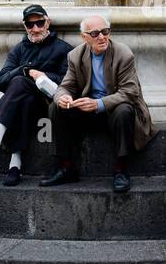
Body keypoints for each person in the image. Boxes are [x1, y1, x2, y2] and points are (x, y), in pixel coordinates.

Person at [42, 15, 156, 193]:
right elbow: (65, 87)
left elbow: (130, 92)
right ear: (84, 37)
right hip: (88, 111)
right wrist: (63, 98)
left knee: (124, 110)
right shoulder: (75, 55)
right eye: (95, 33)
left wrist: (99, 104)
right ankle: (66, 167)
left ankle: (121, 170)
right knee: (55, 107)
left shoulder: (123, 54)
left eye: (105, 31)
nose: (101, 37)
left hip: (113, 109)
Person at [0, 4, 73, 186]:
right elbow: (1, 81)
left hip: (49, 104)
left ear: (47, 23)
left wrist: (41, 75)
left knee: (19, 83)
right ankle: (14, 165)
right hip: (26, 103)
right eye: (30, 25)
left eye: (39, 23)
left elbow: (68, 81)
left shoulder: (63, 49)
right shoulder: (19, 48)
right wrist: (24, 70)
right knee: (24, 98)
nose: (35, 28)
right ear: (25, 26)